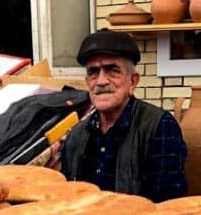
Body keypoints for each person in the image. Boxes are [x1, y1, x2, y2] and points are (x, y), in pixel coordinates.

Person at [62, 30, 188, 202]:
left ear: (133, 81)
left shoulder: (159, 127)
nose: (101, 81)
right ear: (87, 82)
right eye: (93, 72)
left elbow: (169, 207)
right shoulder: (76, 136)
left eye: (112, 70)